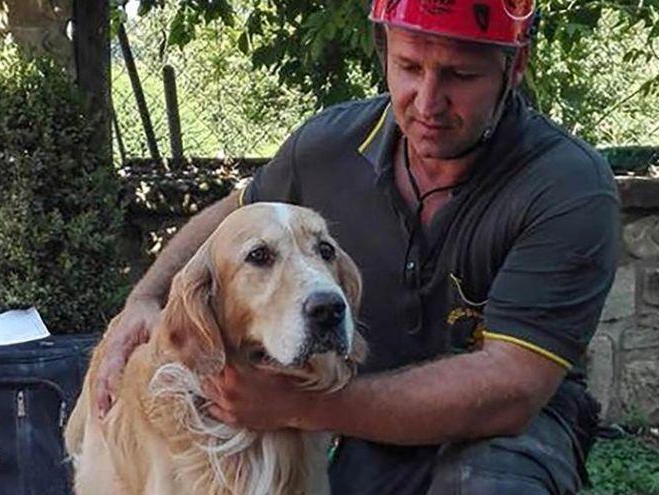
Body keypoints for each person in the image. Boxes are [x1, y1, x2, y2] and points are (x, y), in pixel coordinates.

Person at [95, 0, 620, 493]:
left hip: (510, 432)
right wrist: (146, 296)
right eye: (409, 67)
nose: (429, 101)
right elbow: (235, 216)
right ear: (384, 49)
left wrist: (296, 407)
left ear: (515, 65)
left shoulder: (566, 184)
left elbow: (511, 389)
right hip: (368, 412)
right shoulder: (328, 147)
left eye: (460, 75)